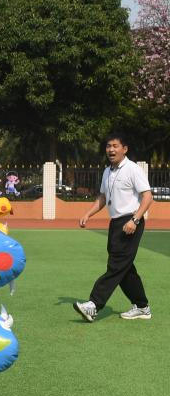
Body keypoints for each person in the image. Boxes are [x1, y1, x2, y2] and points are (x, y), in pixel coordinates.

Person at [74, 132, 153, 323]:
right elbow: (102, 197)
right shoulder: (107, 171)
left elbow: (148, 196)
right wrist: (88, 214)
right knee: (125, 268)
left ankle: (94, 304)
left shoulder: (132, 169)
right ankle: (142, 306)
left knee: (116, 265)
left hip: (130, 222)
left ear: (124, 149)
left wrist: (134, 220)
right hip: (116, 223)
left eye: (115, 146)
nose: (111, 149)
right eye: (108, 146)